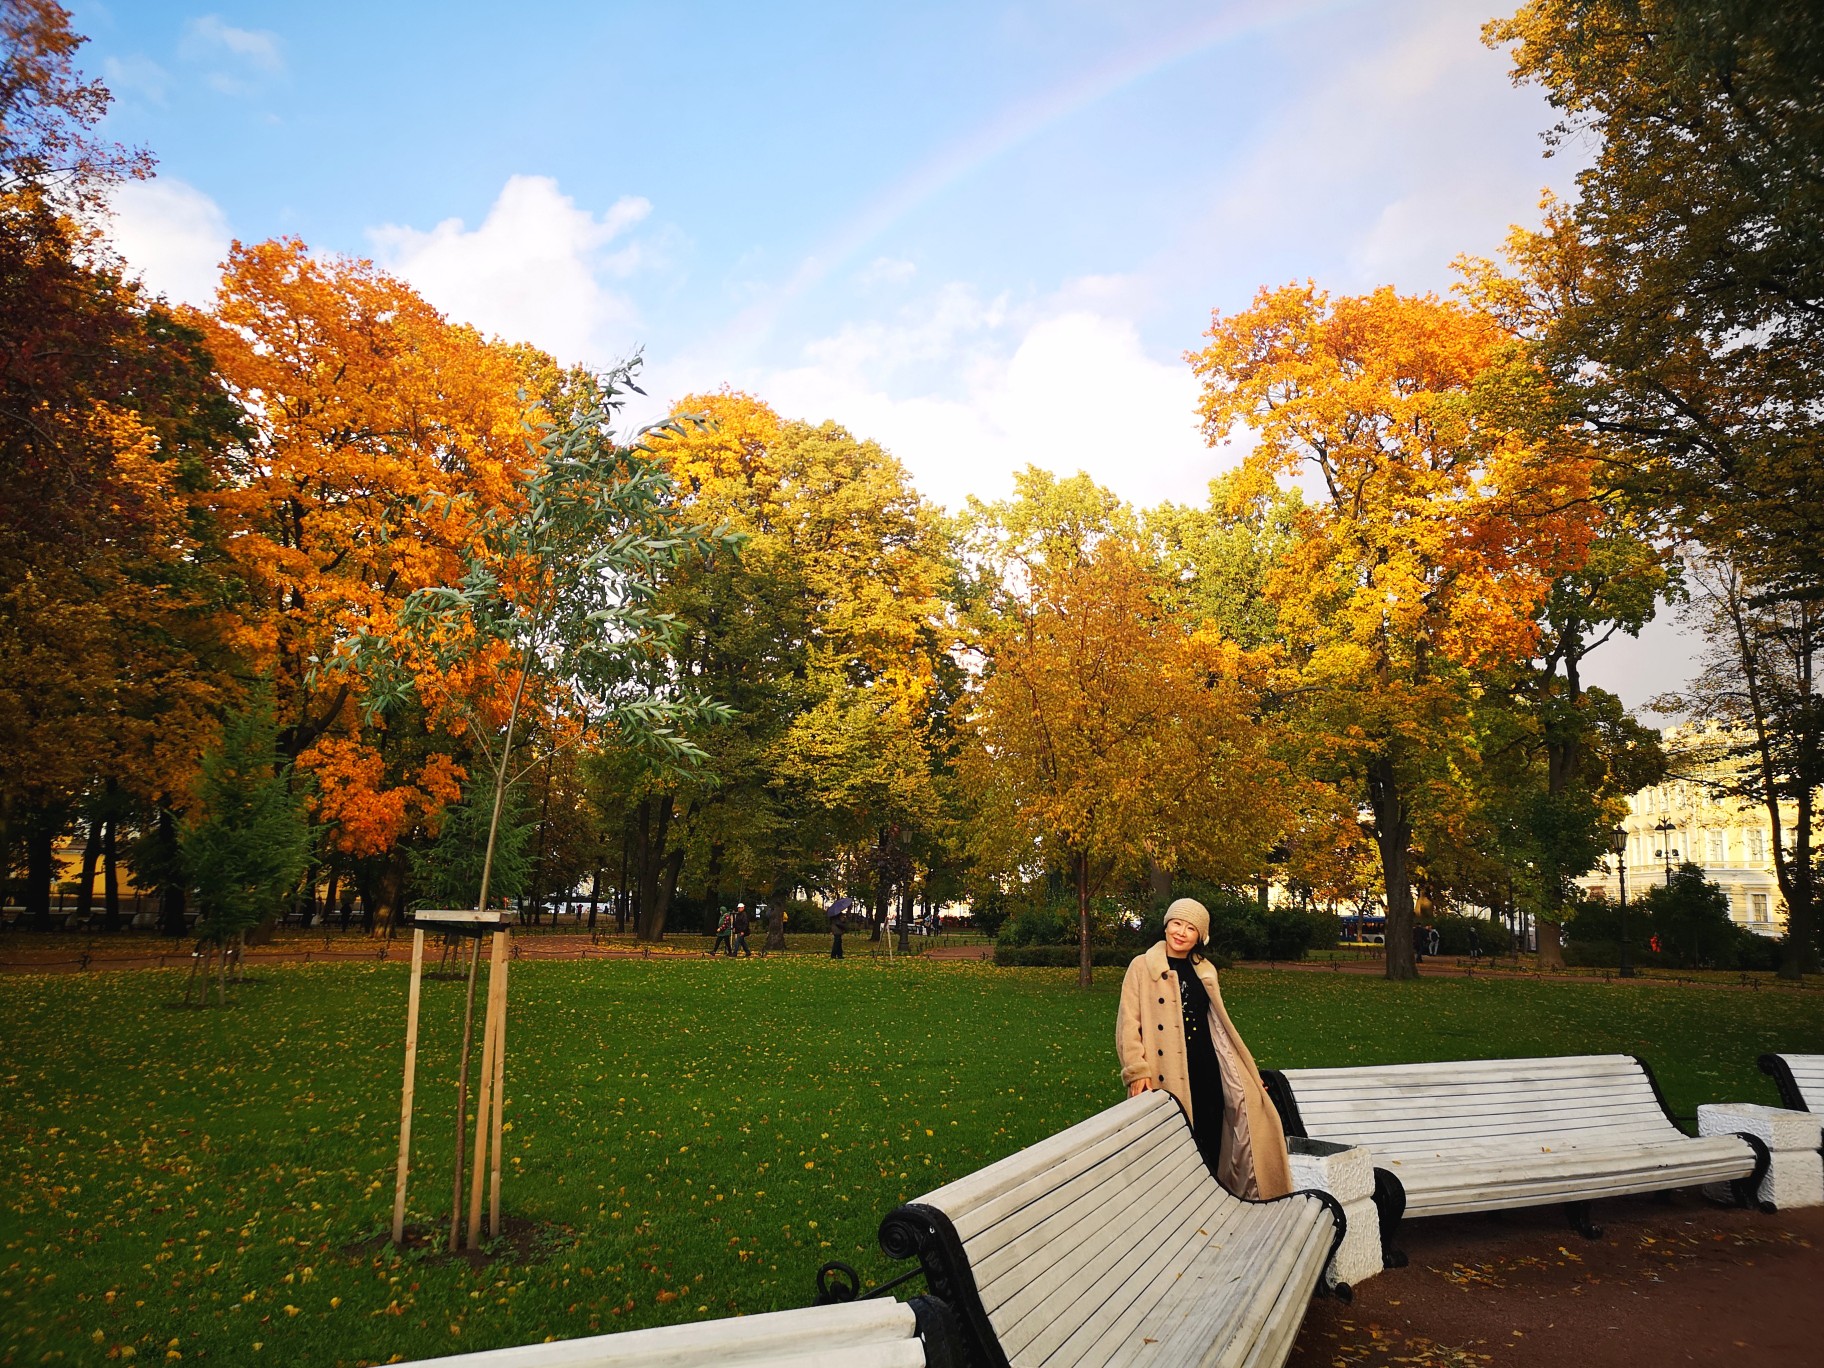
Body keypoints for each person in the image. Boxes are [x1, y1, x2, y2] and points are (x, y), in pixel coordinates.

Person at [1117, 898, 1292, 1199]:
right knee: (1172, 1146)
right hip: (1165, 1073)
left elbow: (1222, 1028)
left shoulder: (1205, 970)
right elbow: (1128, 1025)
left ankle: (1210, 1205)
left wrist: (1246, 1075)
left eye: (1190, 928)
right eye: (1176, 923)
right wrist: (1137, 1071)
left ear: (1201, 936)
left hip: (1206, 1068)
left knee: (1210, 1140)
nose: (1181, 932)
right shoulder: (1142, 966)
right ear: (1166, 924)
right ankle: (1173, 1209)